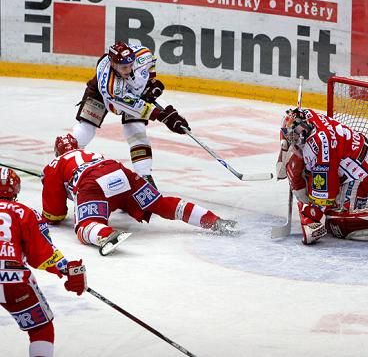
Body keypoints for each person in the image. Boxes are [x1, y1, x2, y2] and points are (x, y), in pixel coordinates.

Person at [41, 134, 238, 256]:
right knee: (160, 203)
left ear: (56, 152)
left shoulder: (54, 165)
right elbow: (113, 193)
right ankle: (214, 221)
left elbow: (55, 213)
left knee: (85, 226)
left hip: (91, 182)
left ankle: (106, 234)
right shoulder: (93, 153)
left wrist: (62, 202)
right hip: (118, 171)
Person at [276, 108, 368, 245]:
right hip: (351, 158)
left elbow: (325, 194)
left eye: (294, 137)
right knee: (321, 199)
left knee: (336, 223)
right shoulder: (304, 116)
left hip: (359, 172)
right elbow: (290, 132)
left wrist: (311, 216)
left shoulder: (320, 147)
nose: (292, 140)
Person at [72, 41, 189, 188]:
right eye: (124, 67)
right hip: (101, 95)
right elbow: (137, 107)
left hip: (130, 94)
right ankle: (65, 163)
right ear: (113, 64)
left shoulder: (143, 55)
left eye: (130, 65)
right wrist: (164, 116)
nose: (128, 69)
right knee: (86, 129)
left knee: (137, 131)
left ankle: (144, 177)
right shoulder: (111, 86)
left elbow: (150, 62)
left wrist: (150, 82)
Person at [0, 167, 87, 357]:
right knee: (41, 329)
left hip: (10, 276)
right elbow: (42, 254)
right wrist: (67, 269)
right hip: (11, 279)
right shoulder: (23, 212)